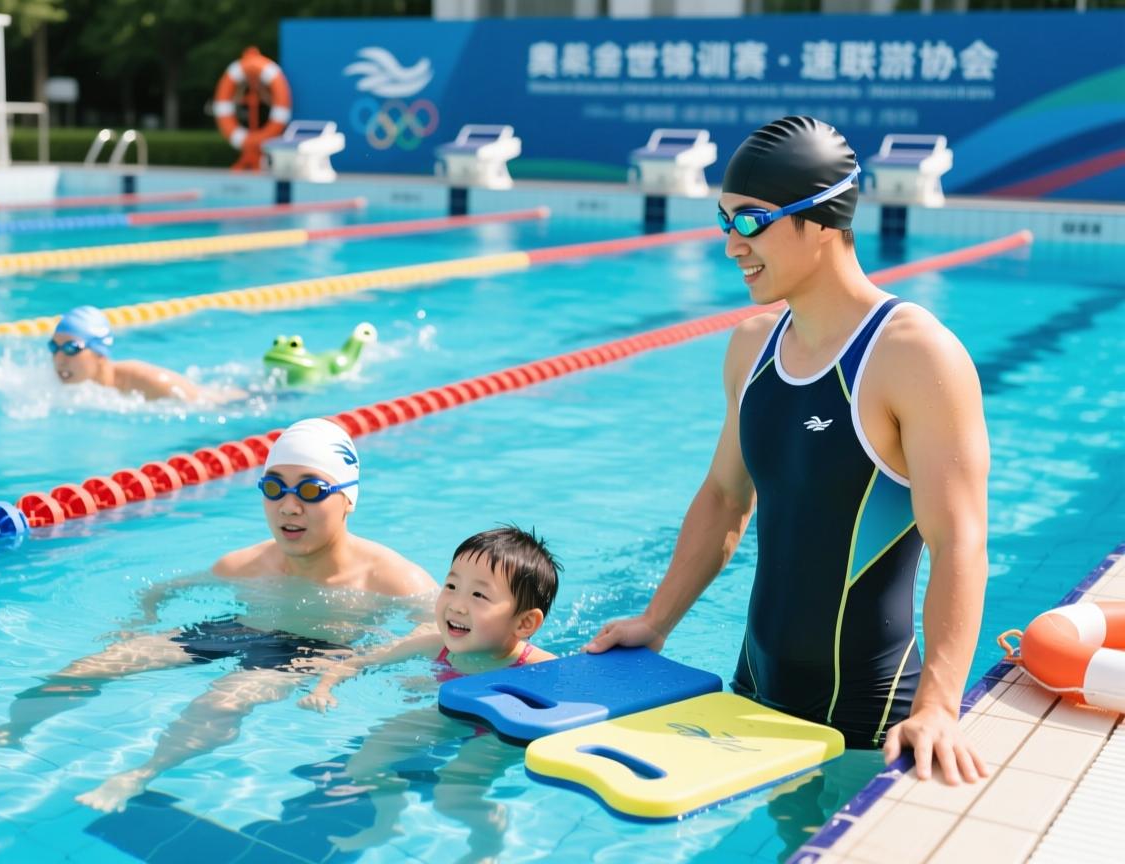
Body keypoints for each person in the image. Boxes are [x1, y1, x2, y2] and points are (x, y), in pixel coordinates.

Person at [585, 116, 990, 786]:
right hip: (754, 698)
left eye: (751, 223)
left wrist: (939, 707)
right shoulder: (752, 346)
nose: (732, 246)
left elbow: (961, 541)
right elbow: (724, 497)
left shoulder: (912, 355)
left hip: (869, 722)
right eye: (724, 224)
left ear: (823, 218)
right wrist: (655, 622)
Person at [0, 417, 437, 813]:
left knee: (219, 702)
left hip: (310, 651)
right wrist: (135, 625)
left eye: (312, 489)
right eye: (274, 487)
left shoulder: (392, 578)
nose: (289, 506)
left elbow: (441, 626)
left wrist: (380, 661)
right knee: (98, 664)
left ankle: (142, 772)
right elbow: (163, 589)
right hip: (238, 628)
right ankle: (13, 729)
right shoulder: (246, 564)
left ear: (348, 498)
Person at [297, 525, 559, 862]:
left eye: (478, 596)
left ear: (523, 624)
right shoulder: (435, 643)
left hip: (497, 731)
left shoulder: (537, 666)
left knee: (452, 796)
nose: (457, 605)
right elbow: (359, 662)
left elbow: (585, 698)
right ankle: (388, 819)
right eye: (451, 586)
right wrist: (323, 688)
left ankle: (488, 837)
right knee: (365, 762)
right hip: (449, 712)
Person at [49, 304, 243, 402]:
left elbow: (204, 404)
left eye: (71, 348)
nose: (59, 359)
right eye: (54, 347)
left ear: (100, 353)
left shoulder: (150, 383)